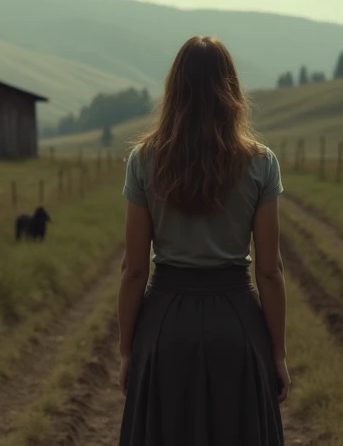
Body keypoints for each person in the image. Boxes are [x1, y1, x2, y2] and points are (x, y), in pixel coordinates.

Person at [117, 35, 290, 446]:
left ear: (174, 89)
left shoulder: (143, 160)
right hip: (236, 326)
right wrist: (278, 354)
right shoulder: (261, 163)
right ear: (231, 91)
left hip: (164, 329)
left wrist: (127, 350)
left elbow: (134, 269)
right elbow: (269, 270)